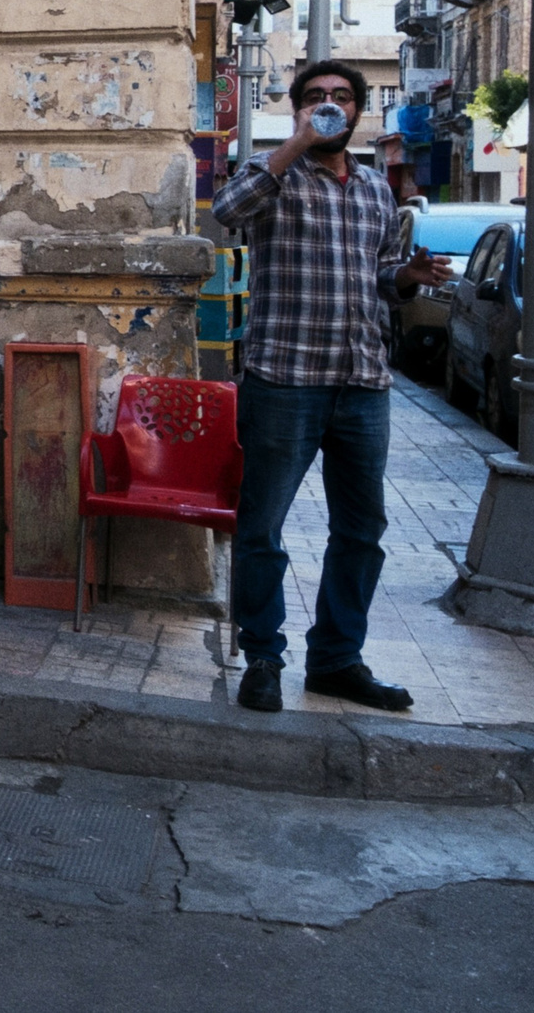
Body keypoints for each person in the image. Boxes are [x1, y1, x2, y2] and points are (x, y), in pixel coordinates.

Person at [210, 58, 451, 716]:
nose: (328, 105)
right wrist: (293, 144)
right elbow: (226, 210)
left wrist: (408, 278)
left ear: (358, 112)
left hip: (361, 382)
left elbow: (379, 277)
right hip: (284, 380)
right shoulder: (276, 179)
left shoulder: (377, 190)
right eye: (315, 97)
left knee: (362, 531)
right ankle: (262, 658)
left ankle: (337, 661)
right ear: (297, 108)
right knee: (261, 527)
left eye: (341, 98)